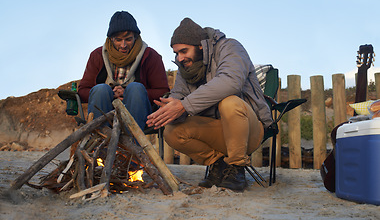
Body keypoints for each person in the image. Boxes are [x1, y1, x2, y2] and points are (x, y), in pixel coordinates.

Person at [146, 18, 273, 191]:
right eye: (176, 53)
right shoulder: (185, 70)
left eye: (184, 51)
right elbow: (179, 98)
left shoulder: (230, 47)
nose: (179, 58)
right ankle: (218, 165)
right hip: (217, 132)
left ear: (200, 46)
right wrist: (171, 110)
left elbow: (231, 81)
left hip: (250, 129)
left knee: (230, 103)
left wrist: (184, 105)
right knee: (172, 132)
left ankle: (236, 168)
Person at [78, 11, 169, 131]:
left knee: (135, 88)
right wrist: (111, 93)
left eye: (128, 39)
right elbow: (83, 91)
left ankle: (133, 144)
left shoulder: (150, 56)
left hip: (139, 113)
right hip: (104, 110)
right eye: (118, 40)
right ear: (110, 39)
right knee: (101, 89)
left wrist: (127, 93)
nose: (123, 45)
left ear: (136, 37)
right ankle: (100, 142)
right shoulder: (97, 55)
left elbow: (162, 91)